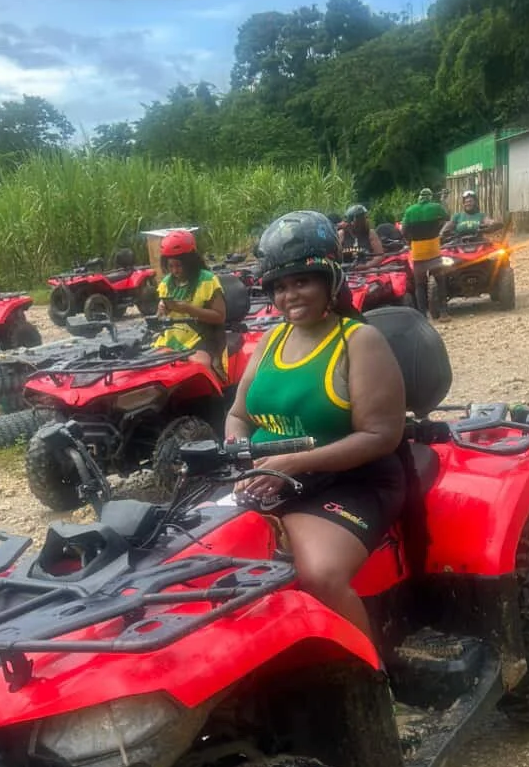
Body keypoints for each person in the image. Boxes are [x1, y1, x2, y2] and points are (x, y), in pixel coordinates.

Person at [226, 210, 407, 643]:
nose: (291, 295)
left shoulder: (358, 340)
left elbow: (381, 435)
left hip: (352, 482)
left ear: (330, 280)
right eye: (281, 286)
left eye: (303, 281)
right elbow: (237, 415)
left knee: (318, 574)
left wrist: (292, 462)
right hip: (269, 477)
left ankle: (372, 686)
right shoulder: (269, 341)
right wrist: (239, 457)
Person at [155, 230, 226, 372]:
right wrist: (161, 309)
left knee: (199, 366)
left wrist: (188, 309)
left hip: (201, 337)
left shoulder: (207, 280)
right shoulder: (165, 283)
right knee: (156, 368)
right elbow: (159, 318)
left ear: (190, 262)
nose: (175, 271)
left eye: (179, 265)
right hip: (172, 340)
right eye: (171, 266)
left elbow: (220, 317)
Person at [401, 187, 450, 317]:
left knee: (420, 285)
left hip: (418, 253)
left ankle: (422, 315)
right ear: (430, 197)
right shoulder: (436, 207)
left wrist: (410, 241)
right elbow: (447, 216)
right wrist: (443, 202)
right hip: (433, 250)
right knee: (440, 280)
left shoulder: (410, 210)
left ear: (419, 197)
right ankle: (444, 311)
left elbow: (403, 230)